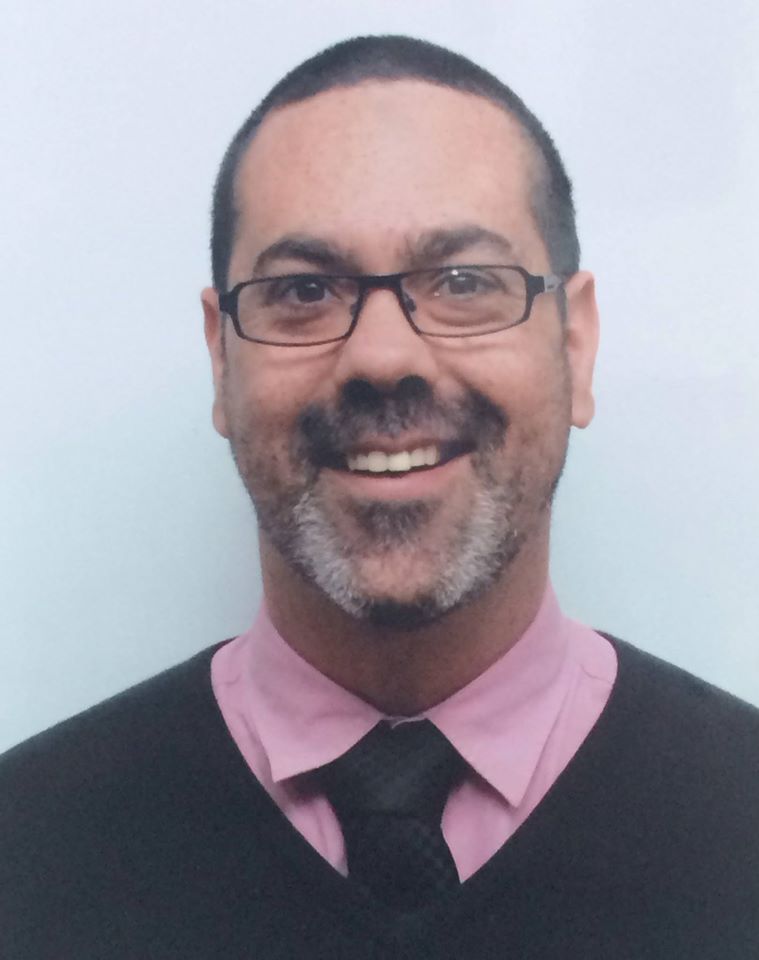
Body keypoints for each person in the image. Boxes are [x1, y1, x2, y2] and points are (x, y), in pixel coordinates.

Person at [1, 34, 757, 960]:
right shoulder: (24, 851)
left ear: (574, 344)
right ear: (220, 359)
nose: (383, 356)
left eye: (465, 282)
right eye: (303, 290)